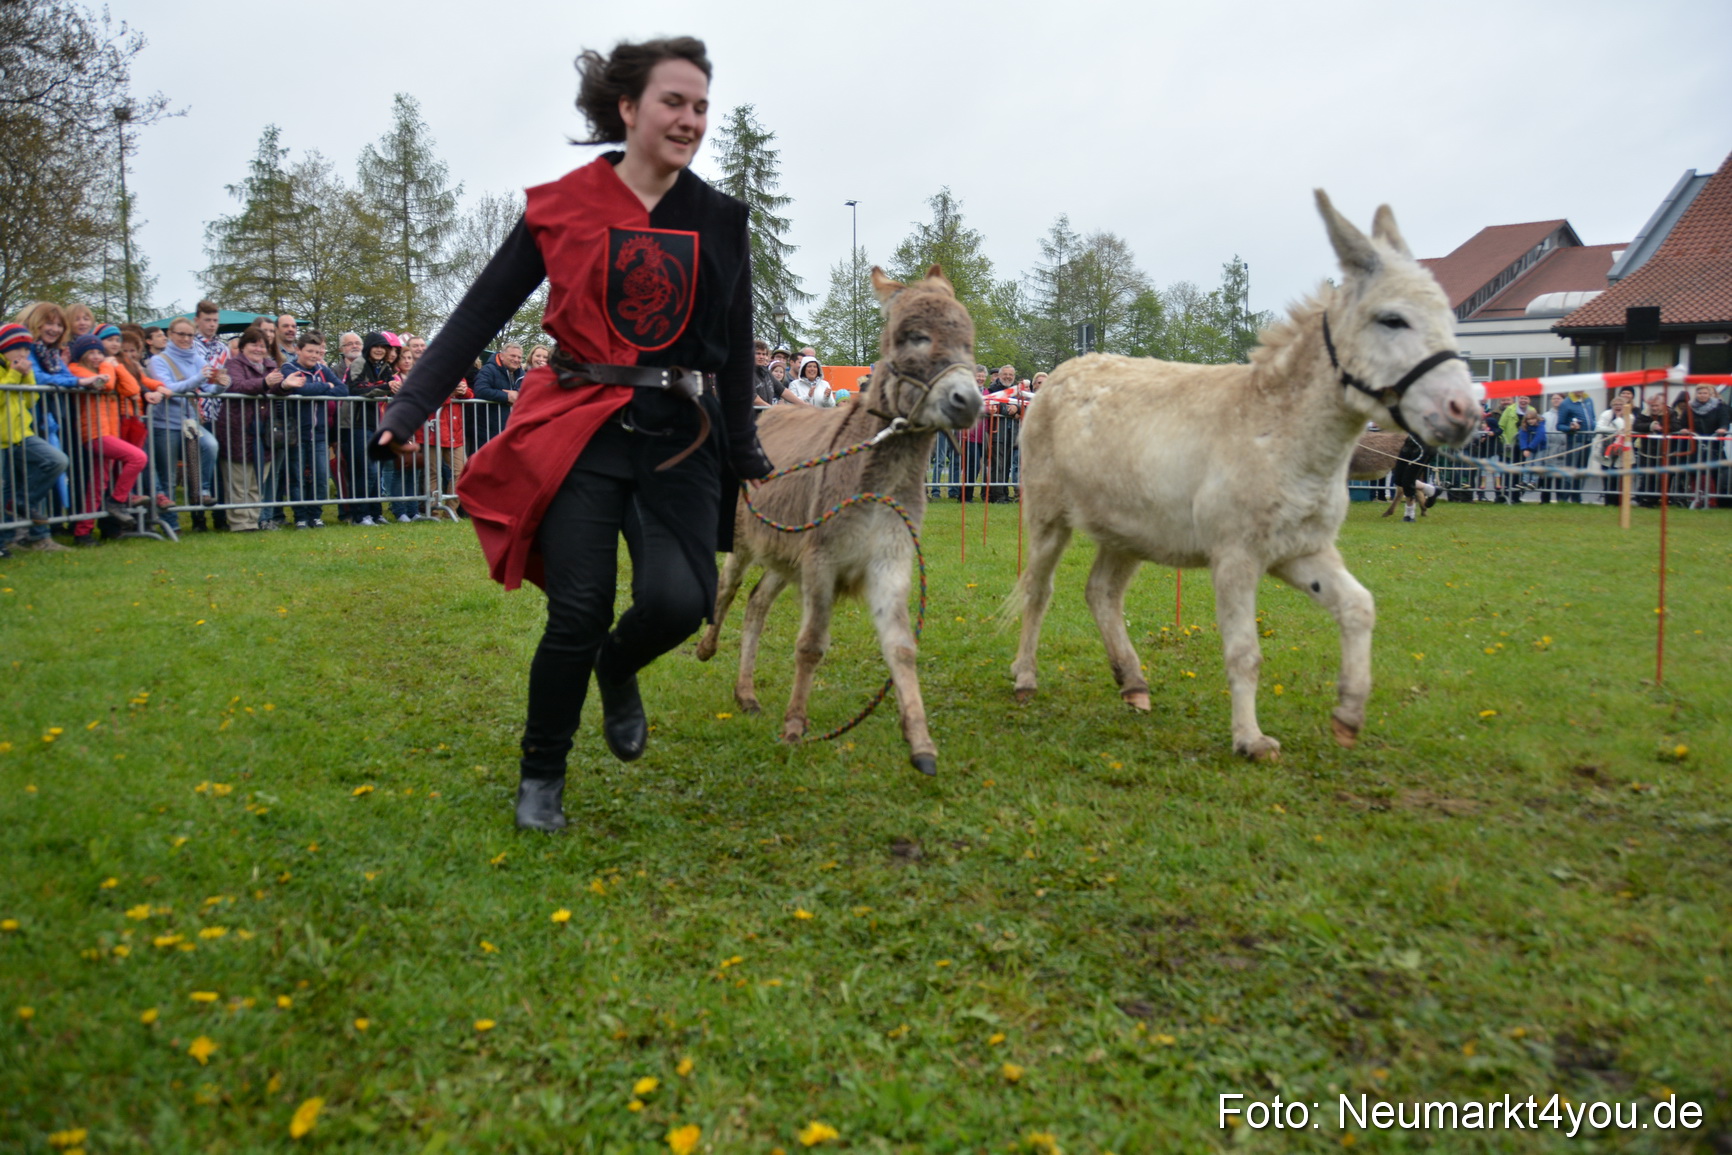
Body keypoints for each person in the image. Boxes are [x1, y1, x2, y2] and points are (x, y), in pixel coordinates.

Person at [372, 35, 774, 832]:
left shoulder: (720, 219)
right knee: (578, 610)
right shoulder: (561, 205)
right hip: (580, 426)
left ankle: (616, 668)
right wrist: (407, 408)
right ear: (628, 108)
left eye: (700, 106)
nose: (690, 119)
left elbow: (735, 342)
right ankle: (541, 773)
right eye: (673, 101)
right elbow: (480, 312)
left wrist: (744, 444)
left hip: (679, 435)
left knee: (681, 602)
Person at [65, 334, 147, 539]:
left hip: (110, 432)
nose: (96, 356)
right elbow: (107, 385)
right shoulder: (76, 369)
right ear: (81, 355)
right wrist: (108, 365)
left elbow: (133, 389)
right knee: (138, 457)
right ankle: (117, 501)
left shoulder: (105, 368)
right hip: (95, 434)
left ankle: (83, 532)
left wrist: (117, 366)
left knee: (97, 485)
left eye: (99, 353)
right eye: (91, 352)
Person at [145, 317, 223, 532]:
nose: (186, 339)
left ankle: (201, 491)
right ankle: (171, 524)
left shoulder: (196, 358)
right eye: (181, 334)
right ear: (170, 335)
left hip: (189, 422)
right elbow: (168, 388)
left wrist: (222, 385)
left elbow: (209, 387)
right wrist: (198, 378)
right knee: (168, 475)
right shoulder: (158, 360)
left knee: (210, 445)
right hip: (164, 423)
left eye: (190, 335)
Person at [0, 323, 71, 553]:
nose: (23, 354)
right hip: (2, 439)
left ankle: (22, 501)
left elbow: (31, 401)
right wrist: (14, 374)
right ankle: (4, 542)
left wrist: (27, 375)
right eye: (18, 348)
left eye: (26, 349)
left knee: (57, 461)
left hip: (22, 435)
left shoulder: (18, 369)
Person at [278, 330, 346, 527]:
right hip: (297, 433)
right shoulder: (289, 368)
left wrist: (322, 387)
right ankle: (300, 516)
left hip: (320, 434)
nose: (314, 356)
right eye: (310, 351)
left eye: (317, 352)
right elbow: (301, 389)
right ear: (299, 350)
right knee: (297, 477)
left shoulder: (322, 369)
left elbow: (343, 390)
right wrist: (326, 387)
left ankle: (315, 515)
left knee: (321, 477)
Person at [218, 326, 279, 532]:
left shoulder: (271, 366)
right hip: (237, 429)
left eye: (262, 346)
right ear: (243, 346)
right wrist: (265, 383)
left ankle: (252, 520)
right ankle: (239, 522)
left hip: (263, 431)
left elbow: (277, 388)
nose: (258, 349)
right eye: (254, 344)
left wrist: (286, 385)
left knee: (257, 479)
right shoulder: (233, 365)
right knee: (238, 480)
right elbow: (237, 386)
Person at [342, 332, 397, 526]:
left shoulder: (384, 367)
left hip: (375, 423)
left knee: (376, 470)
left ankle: (375, 513)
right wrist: (386, 387)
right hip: (355, 423)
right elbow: (356, 389)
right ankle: (360, 515)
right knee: (366, 470)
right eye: (376, 346)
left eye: (383, 347)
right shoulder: (359, 363)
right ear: (369, 348)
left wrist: (393, 387)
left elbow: (392, 386)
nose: (380, 350)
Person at [1555, 390, 1595, 503]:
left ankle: (1576, 498)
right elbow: (1559, 425)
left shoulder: (1588, 400)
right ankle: (1564, 499)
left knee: (1582, 471)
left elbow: (1593, 418)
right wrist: (1570, 428)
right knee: (1570, 470)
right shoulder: (1566, 403)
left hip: (1588, 440)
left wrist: (1595, 427)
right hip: (1574, 441)